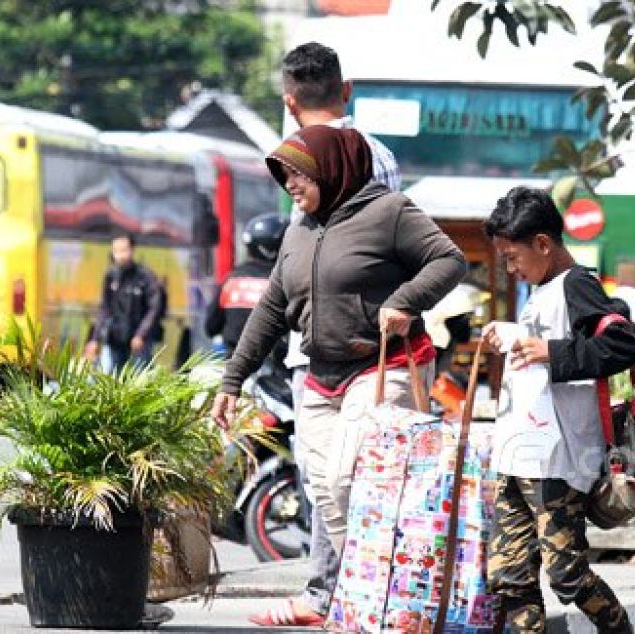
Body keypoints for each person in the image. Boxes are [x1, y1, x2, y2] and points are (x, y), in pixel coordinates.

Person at [209, 125, 465, 628]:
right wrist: (232, 381)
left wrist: (404, 302)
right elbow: (271, 307)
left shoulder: (388, 212)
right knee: (325, 492)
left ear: (331, 166)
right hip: (320, 376)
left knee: (354, 479)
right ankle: (368, 597)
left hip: (383, 366)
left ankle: (387, 599)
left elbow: (448, 259)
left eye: (298, 173)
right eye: (283, 176)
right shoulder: (299, 229)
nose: (290, 185)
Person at [278, 42, 406, 624]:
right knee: (348, 477)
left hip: (330, 348)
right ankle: (339, 590)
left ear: (289, 101)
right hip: (376, 344)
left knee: (332, 477)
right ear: (345, 90)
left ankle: (339, 591)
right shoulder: (381, 156)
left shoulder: (295, 162)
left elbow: (301, 267)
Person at [481, 187, 635, 634]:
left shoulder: (576, 284)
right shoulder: (543, 290)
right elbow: (544, 345)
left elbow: (621, 344)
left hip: (555, 460)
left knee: (566, 573)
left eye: (513, 257)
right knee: (509, 575)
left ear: (544, 244)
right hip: (516, 458)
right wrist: (515, 336)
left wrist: (550, 351)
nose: (511, 269)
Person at [203, 213, 288, 357]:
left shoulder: (231, 280)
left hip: (233, 365)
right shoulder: (284, 282)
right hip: (276, 366)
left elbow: (211, 327)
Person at [84, 233, 164, 371]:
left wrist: (141, 334)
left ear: (132, 250)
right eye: (116, 251)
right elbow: (105, 308)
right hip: (115, 338)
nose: (120, 255)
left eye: (124, 250)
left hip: (139, 340)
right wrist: (94, 339)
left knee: (139, 380)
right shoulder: (111, 276)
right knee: (107, 377)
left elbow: (154, 308)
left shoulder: (145, 276)